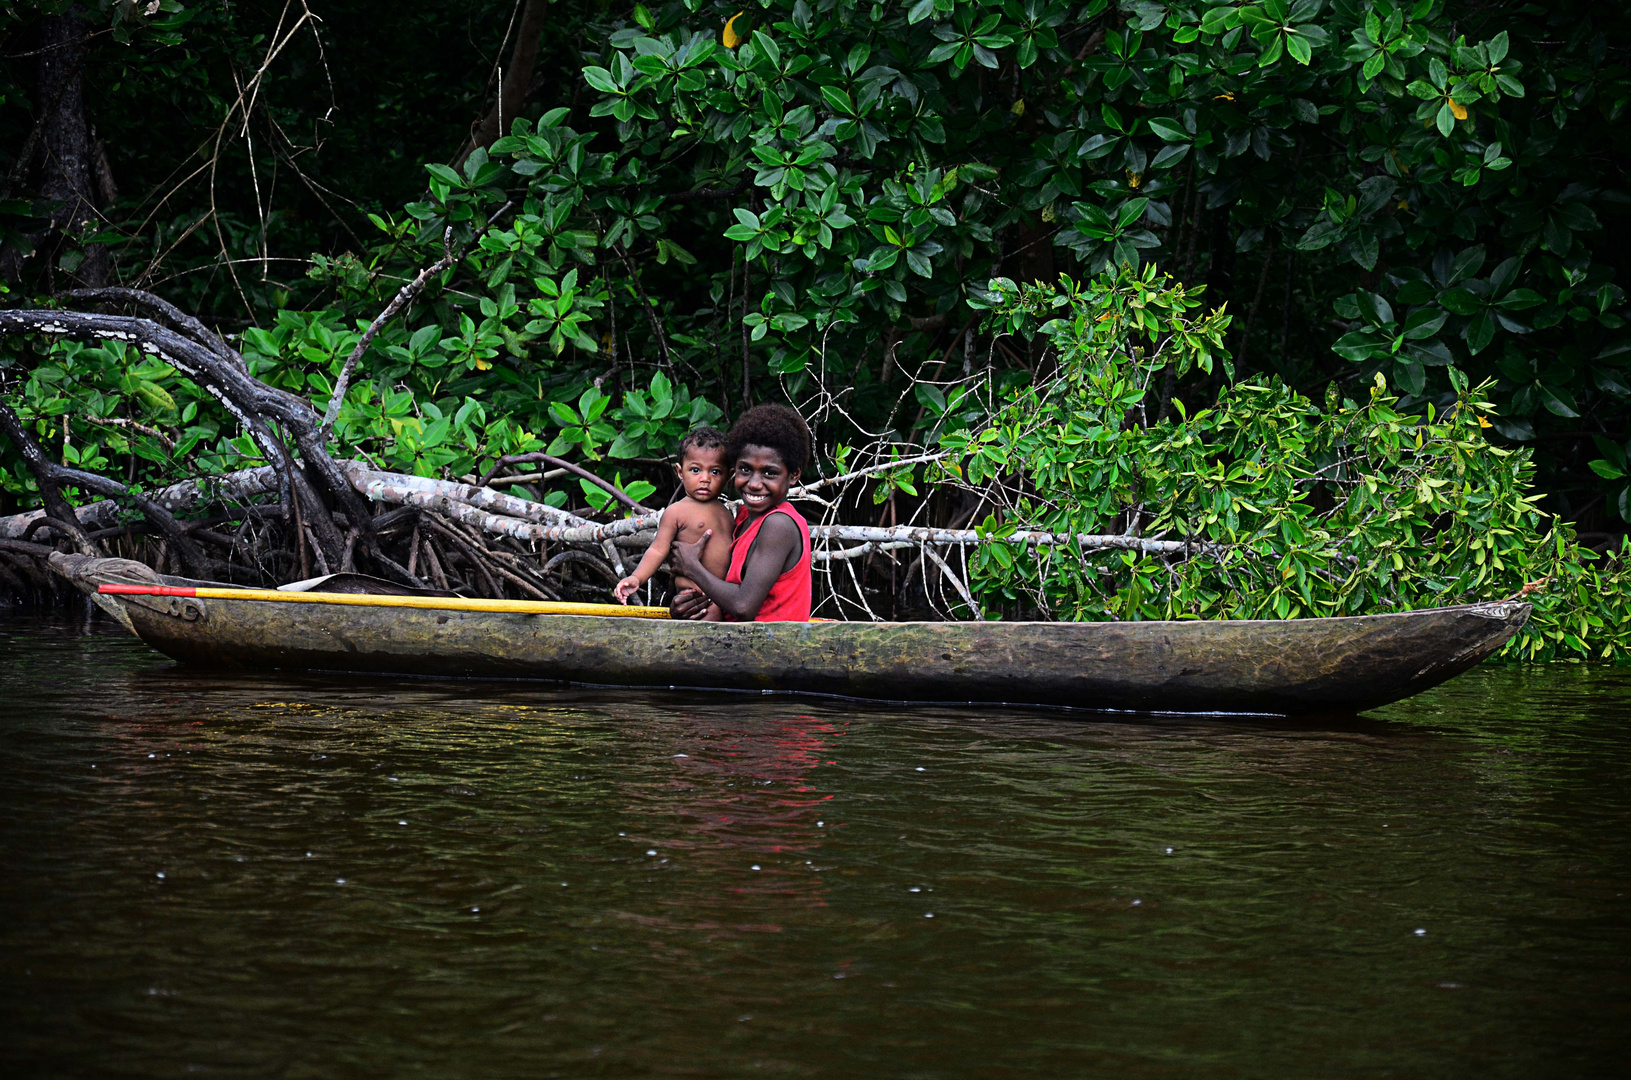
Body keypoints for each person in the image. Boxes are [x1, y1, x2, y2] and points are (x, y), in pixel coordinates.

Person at [671, 404, 813, 622]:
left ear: (793, 475)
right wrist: (688, 607)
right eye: (745, 469)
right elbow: (725, 594)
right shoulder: (743, 517)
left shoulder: (779, 525)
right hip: (739, 644)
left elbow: (743, 606)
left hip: (773, 650)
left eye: (769, 473)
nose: (754, 484)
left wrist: (691, 567)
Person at [613, 426, 735, 612]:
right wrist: (637, 577)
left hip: (724, 596)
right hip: (695, 600)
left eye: (715, 472)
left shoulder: (728, 512)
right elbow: (657, 550)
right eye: (695, 470)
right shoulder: (676, 512)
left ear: (728, 476)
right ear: (680, 472)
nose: (705, 478)